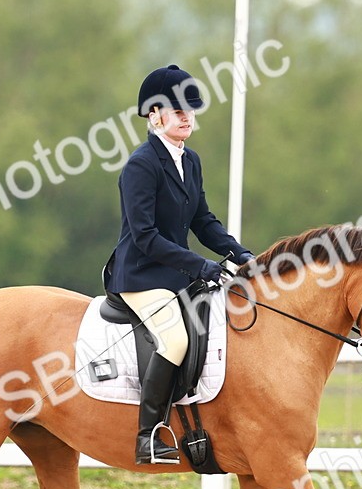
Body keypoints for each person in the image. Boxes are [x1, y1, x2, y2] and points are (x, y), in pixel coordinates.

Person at [106, 64, 256, 465]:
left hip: (176, 273)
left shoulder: (190, 161)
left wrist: (241, 255)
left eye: (191, 109)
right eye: (177, 110)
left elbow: (203, 221)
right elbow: (145, 236)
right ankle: (148, 434)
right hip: (140, 275)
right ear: (154, 115)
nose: (187, 116)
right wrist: (201, 266)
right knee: (176, 340)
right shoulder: (141, 165)